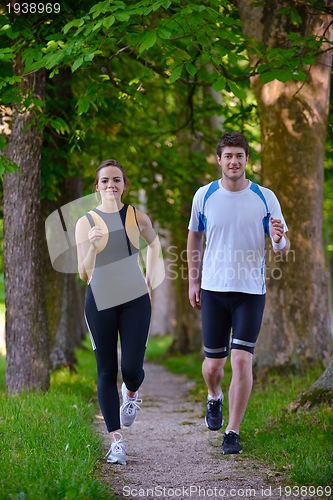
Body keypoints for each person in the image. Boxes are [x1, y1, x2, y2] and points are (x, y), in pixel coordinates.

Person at [187, 132, 290, 455]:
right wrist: (193, 281)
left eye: (240, 156)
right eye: (228, 156)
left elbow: (284, 248)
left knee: (242, 361)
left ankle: (232, 431)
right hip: (214, 290)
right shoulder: (204, 196)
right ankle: (213, 396)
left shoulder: (264, 197)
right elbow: (194, 240)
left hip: (250, 292)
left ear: (247, 160)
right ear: (218, 160)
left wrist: (277, 239)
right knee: (214, 366)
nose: (234, 161)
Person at [75, 159, 161, 465]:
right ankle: (116, 441)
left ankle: (132, 393)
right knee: (106, 370)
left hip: (135, 299)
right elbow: (83, 274)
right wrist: (91, 248)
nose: (111, 185)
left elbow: (154, 245)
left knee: (132, 371)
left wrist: (151, 280)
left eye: (116, 180)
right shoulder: (86, 222)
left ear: (124, 185)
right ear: (97, 187)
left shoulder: (137, 217)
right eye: (105, 181)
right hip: (100, 300)